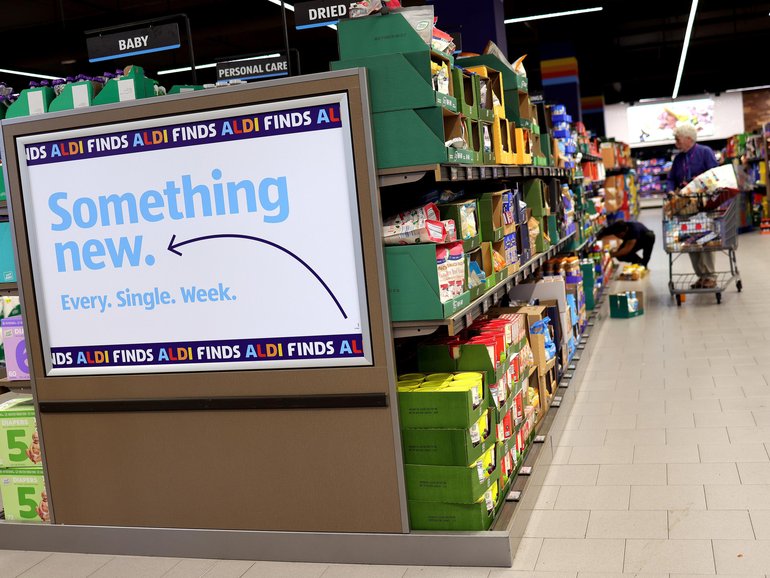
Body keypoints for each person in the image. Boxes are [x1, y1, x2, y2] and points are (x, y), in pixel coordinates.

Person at [666, 123, 719, 288]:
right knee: (690, 241)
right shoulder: (679, 159)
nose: (676, 143)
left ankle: (710, 275)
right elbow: (670, 178)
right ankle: (701, 276)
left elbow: (714, 175)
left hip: (703, 203)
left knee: (706, 239)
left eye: (678, 139)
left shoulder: (705, 152)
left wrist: (699, 184)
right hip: (685, 206)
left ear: (689, 139)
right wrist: (669, 191)